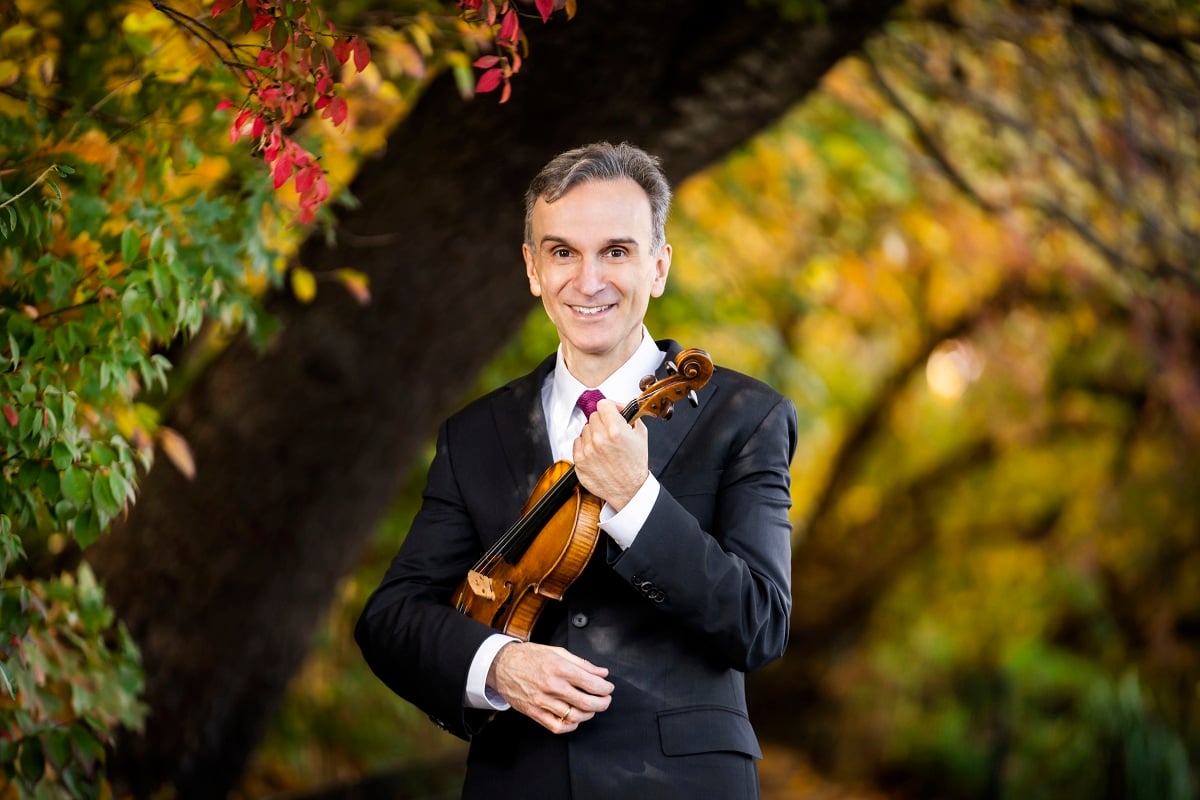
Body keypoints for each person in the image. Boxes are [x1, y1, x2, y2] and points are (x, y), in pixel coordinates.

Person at [355, 141, 798, 800]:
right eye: (563, 252)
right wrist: (498, 664)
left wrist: (636, 499)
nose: (588, 282)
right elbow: (390, 619)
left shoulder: (745, 416)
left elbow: (760, 624)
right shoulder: (476, 433)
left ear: (658, 266)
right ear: (533, 269)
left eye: (615, 252)